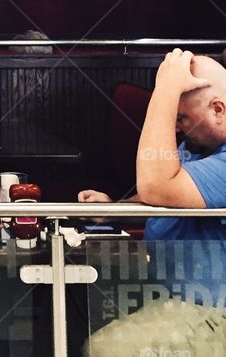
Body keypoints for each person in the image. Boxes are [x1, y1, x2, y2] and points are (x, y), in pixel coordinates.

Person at [79, 49, 226, 355]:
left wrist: (166, 90)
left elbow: (157, 186)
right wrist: (116, 211)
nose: (175, 128)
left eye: (181, 118)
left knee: (105, 350)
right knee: (75, 309)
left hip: (212, 309)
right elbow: (162, 194)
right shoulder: (197, 147)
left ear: (218, 109)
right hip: (170, 296)